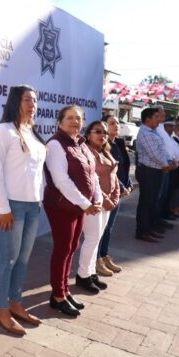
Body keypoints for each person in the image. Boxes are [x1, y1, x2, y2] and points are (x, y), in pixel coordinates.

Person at [0, 85, 46, 336]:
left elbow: (37, 172)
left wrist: (39, 199)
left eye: (34, 99)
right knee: (7, 259)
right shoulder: (2, 131)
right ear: (15, 101)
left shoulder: (31, 132)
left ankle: (16, 303)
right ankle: (1, 310)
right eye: (26, 99)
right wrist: (3, 208)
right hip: (10, 206)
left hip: (33, 205)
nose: (32, 104)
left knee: (22, 259)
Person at [44, 105, 102, 317]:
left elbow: (92, 175)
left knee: (71, 248)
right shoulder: (55, 144)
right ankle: (58, 296)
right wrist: (86, 204)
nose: (74, 122)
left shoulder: (82, 144)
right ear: (60, 121)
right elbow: (61, 181)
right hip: (61, 206)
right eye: (69, 118)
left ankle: (64, 291)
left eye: (78, 118)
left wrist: (97, 198)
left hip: (78, 206)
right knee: (62, 249)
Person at [76, 120, 119, 293]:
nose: (102, 135)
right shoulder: (86, 152)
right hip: (94, 202)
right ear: (88, 134)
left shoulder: (106, 151)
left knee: (97, 239)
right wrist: (106, 198)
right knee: (92, 239)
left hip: (108, 203)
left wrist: (115, 196)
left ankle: (91, 272)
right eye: (98, 132)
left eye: (105, 133)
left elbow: (114, 177)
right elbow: (91, 180)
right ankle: (83, 276)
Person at [96, 114, 131, 276]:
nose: (116, 125)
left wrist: (128, 183)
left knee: (109, 227)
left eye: (117, 123)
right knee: (101, 228)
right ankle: (97, 260)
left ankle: (104, 255)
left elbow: (123, 167)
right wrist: (122, 187)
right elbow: (109, 171)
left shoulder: (119, 143)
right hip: (108, 192)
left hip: (118, 191)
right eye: (111, 123)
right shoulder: (103, 145)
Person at [135, 108, 177, 243]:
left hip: (155, 170)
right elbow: (154, 154)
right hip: (148, 172)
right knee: (146, 203)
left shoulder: (153, 132)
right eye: (156, 117)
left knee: (152, 202)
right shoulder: (145, 133)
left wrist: (168, 162)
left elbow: (162, 150)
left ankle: (149, 229)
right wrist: (167, 165)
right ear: (147, 119)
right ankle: (142, 232)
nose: (158, 120)